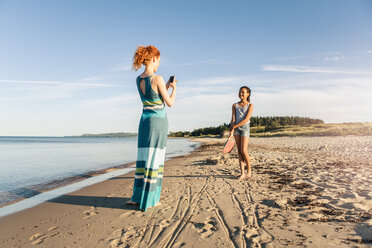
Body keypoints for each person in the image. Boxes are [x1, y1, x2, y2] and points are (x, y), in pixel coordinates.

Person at [127, 45, 177, 211]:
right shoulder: (158, 79)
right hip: (158, 122)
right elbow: (169, 103)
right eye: (159, 60)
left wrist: (166, 87)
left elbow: (152, 96)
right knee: (155, 159)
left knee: (143, 158)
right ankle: (151, 199)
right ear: (154, 58)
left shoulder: (138, 79)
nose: (159, 64)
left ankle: (137, 197)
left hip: (144, 122)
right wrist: (174, 89)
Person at [229, 86, 253, 180]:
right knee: (239, 151)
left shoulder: (250, 105)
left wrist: (234, 126)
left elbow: (246, 119)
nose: (241, 94)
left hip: (245, 128)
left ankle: (249, 171)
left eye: (243, 92)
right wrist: (231, 129)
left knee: (244, 150)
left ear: (248, 94)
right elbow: (233, 119)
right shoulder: (234, 105)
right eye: (240, 92)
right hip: (236, 129)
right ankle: (242, 173)